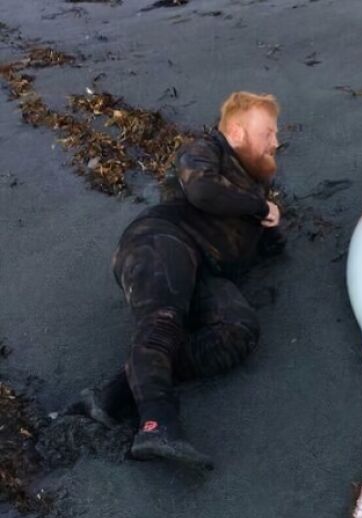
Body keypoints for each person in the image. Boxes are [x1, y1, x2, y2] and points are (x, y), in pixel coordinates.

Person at [74, 91, 285, 468]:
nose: (276, 141)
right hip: (160, 241)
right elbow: (202, 190)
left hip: (206, 268)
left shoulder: (254, 185)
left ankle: (112, 394)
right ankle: (157, 424)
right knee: (163, 321)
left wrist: (271, 232)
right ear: (237, 132)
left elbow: (253, 237)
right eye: (267, 132)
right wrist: (259, 207)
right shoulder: (204, 149)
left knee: (238, 330)